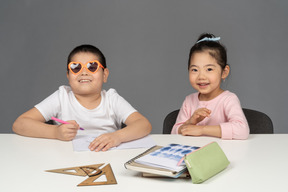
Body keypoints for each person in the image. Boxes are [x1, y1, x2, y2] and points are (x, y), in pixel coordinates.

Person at [13, 44, 152, 151]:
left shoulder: (111, 99)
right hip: (66, 160)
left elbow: (144, 124)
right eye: (75, 67)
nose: (84, 72)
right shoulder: (62, 97)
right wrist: (55, 132)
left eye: (92, 67)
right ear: (68, 76)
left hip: (107, 158)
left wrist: (117, 137)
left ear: (105, 75)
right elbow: (20, 124)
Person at [171, 33, 249, 139]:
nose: (201, 76)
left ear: (224, 72)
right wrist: (190, 122)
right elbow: (174, 133)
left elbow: (242, 130)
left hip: (223, 152)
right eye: (195, 70)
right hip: (195, 153)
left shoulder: (228, 99)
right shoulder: (189, 101)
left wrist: (202, 130)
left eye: (209, 69)